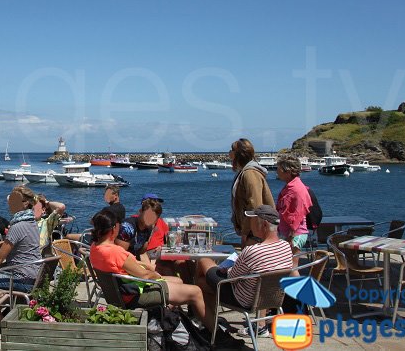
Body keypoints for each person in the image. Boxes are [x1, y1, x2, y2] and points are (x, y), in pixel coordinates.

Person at [89, 209, 242, 348]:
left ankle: (173, 322)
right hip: (137, 293)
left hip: (122, 291)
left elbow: (134, 267)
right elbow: (144, 275)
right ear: (114, 229)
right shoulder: (115, 251)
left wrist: (150, 270)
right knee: (195, 291)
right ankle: (218, 335)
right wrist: (156, 275)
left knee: (179, 281)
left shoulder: (95, 248)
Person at [195, 205, 293, 340]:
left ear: (263, 225)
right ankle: (212, 324)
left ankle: (208, 323)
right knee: (201, 284)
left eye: (252, 222)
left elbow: (231, 276)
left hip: (244, 299)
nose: (250, 226)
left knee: (203, 261)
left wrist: (226, 269)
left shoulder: (253, 250)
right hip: (270, 297)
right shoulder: (286, 246)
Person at [0, 186, 42, 292]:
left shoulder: (17, 226)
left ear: (26, 203)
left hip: (21, 279)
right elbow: (15, 242)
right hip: (35, 276)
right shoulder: (32, 223)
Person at [229, 139, 275, 247]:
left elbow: (255, 205)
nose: (229, 154)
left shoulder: (250, 173)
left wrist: (246, 232)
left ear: (238, 154)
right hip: (252, 232)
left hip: (255, 233)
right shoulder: (244, 172)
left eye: (231, 150)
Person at [275, 155, 312, 263]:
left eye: (279, 169)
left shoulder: (296, 188)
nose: (277, 171)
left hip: (295, 234)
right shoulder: (291, 186)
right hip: (288, 233)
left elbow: (298, 214)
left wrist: (291, 236)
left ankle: (297, 281)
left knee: (291, 267)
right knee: (286, 267)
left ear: (288, 171)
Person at [116, 194, 163, 260]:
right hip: (118, 264)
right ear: (140, 211)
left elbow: (141, 253)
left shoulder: (148, 229)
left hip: (131, 261)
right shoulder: (127, 227)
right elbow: (120, 256)